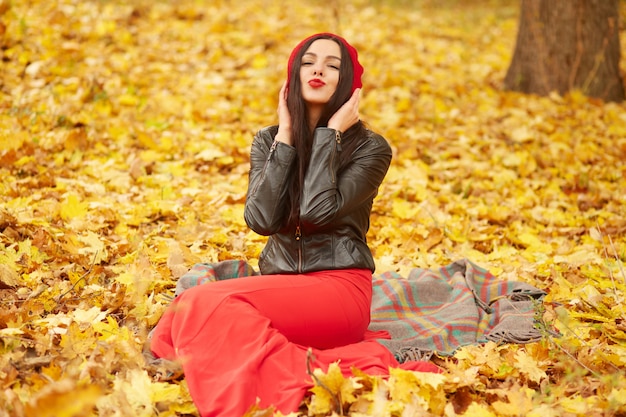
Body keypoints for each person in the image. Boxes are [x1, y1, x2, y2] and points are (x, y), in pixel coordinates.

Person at [150, 33, 439, 417]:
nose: (319, 68)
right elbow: (261, 220)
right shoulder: (269, 140)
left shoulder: (371, 148)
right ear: (293, 74)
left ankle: (275, 381)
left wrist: (330, 135)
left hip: (339, 289)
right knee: (190, 305)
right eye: (309, 61)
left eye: (333, 65)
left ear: (349, 85)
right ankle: (280, 362)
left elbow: (318, 211)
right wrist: (285, 137)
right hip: (283, 283)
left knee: (208, 303)